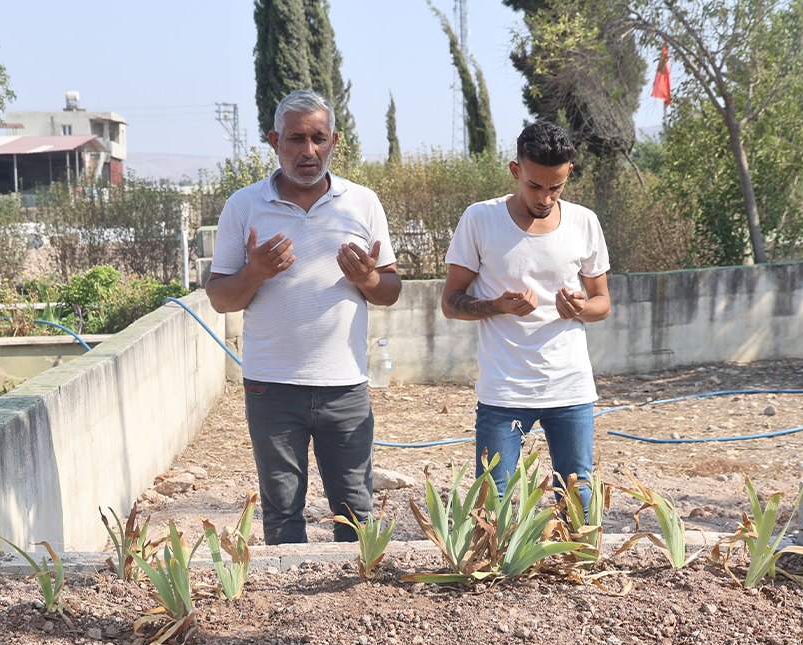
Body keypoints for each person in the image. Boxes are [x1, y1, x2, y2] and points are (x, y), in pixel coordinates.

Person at [206, 89, 401, 545]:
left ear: (334, 140)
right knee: (281, 513)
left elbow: (390, 291)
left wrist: (368, 279)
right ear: (275, 141)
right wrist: (255, 272)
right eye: (296, 139)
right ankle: (287, 614)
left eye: (318, 138)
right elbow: (220, 298)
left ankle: (357, 604)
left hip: (346, 385)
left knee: (356, 512)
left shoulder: (363, 203)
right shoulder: (244, 206)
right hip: (271, 386)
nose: (308, 151)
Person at [441, 121, 610, 507]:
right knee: (492, 498)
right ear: (516, 171)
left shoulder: (584, 222)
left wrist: (581, 309)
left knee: (578, 493)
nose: (546, 197)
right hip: (503, 390)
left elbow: (602, 302)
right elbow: (450, 302)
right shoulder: (480, 219)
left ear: (569, 172)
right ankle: (495, 569)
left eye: (556, 187)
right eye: (535, 185)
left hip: (569, 387)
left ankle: (579, 566)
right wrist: (497, 305)